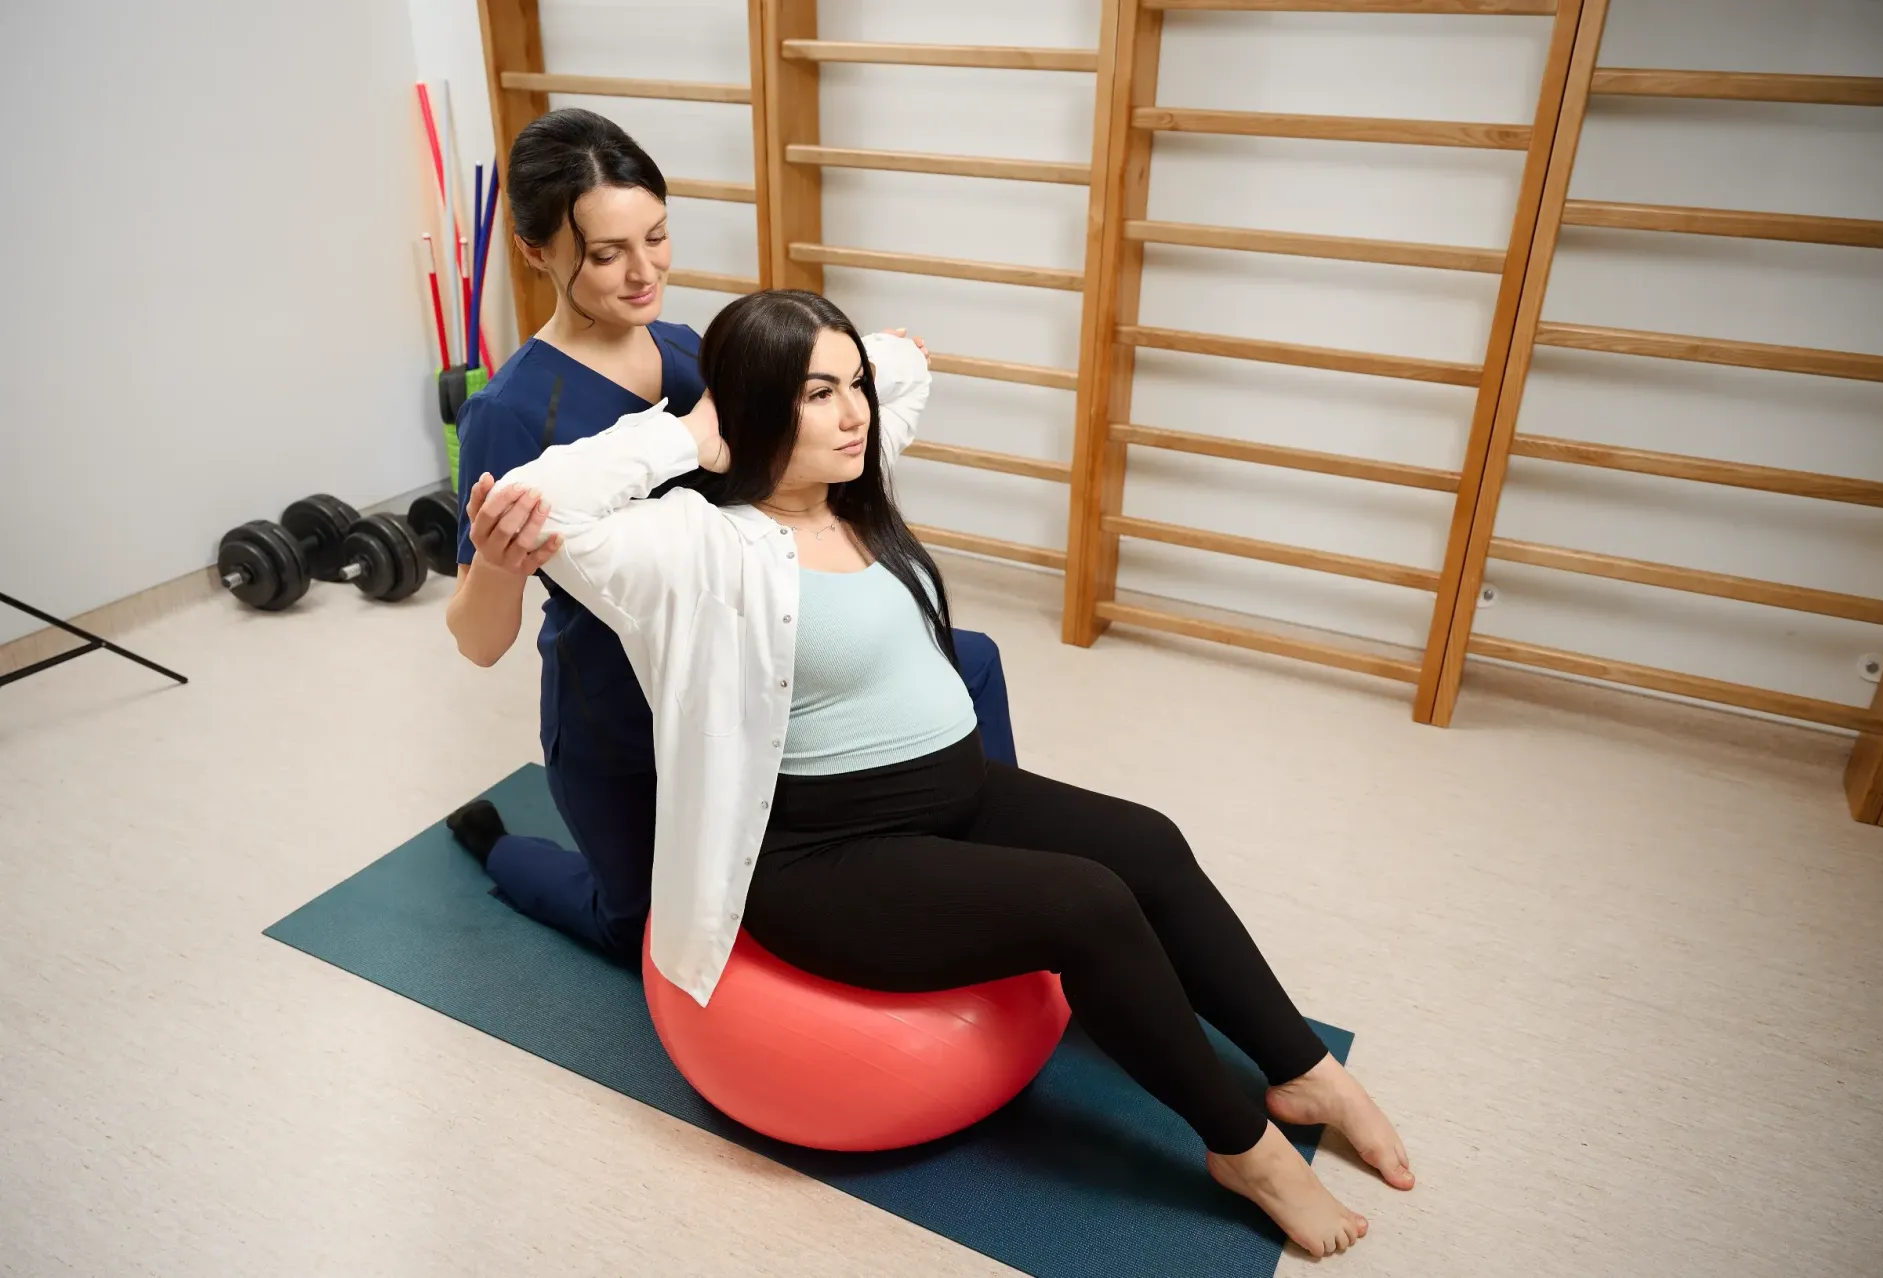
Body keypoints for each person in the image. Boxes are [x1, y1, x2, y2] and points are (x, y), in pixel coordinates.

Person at [484, 287, 1414, 1258]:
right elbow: (542, 499)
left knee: (1148, 841)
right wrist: (691, 434)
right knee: (1088, 904)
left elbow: (905, 366)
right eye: (818, 396)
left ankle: (1303, 1069)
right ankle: (1245, 1148)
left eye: (854, 390)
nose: (855, 414)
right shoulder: (686, 549)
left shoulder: (853, 478)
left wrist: (847, 365)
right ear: (750, 409)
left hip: (948, 796)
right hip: (821, 857)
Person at [440, 108, 1016, 966]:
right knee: (634, 929)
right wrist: (495, 562)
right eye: (605, 254)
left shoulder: (690, 352)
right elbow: (477, 642)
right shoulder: (513, 412)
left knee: (967, 657)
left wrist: (879, 368)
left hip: (743, 670)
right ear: (535, 253)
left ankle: (999, 862)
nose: (644, 273)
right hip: (620, 717)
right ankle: (504, 851)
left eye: (658, 236)